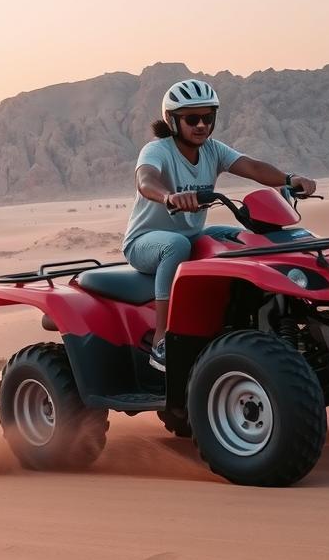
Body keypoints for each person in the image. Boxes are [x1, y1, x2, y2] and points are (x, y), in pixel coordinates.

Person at [124, 78, 317, 364]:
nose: (201, 125)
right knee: (175, 246)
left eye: (208, 117)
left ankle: (262, 324)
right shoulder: (157, 150)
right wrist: (168, 197)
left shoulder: (213, 150)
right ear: (173, 121)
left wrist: (289, 179)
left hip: (190, 236)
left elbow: (252, 167)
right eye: (192, 119)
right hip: (145, 242)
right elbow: (145, 180)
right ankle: (162, 340)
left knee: (243, 240)